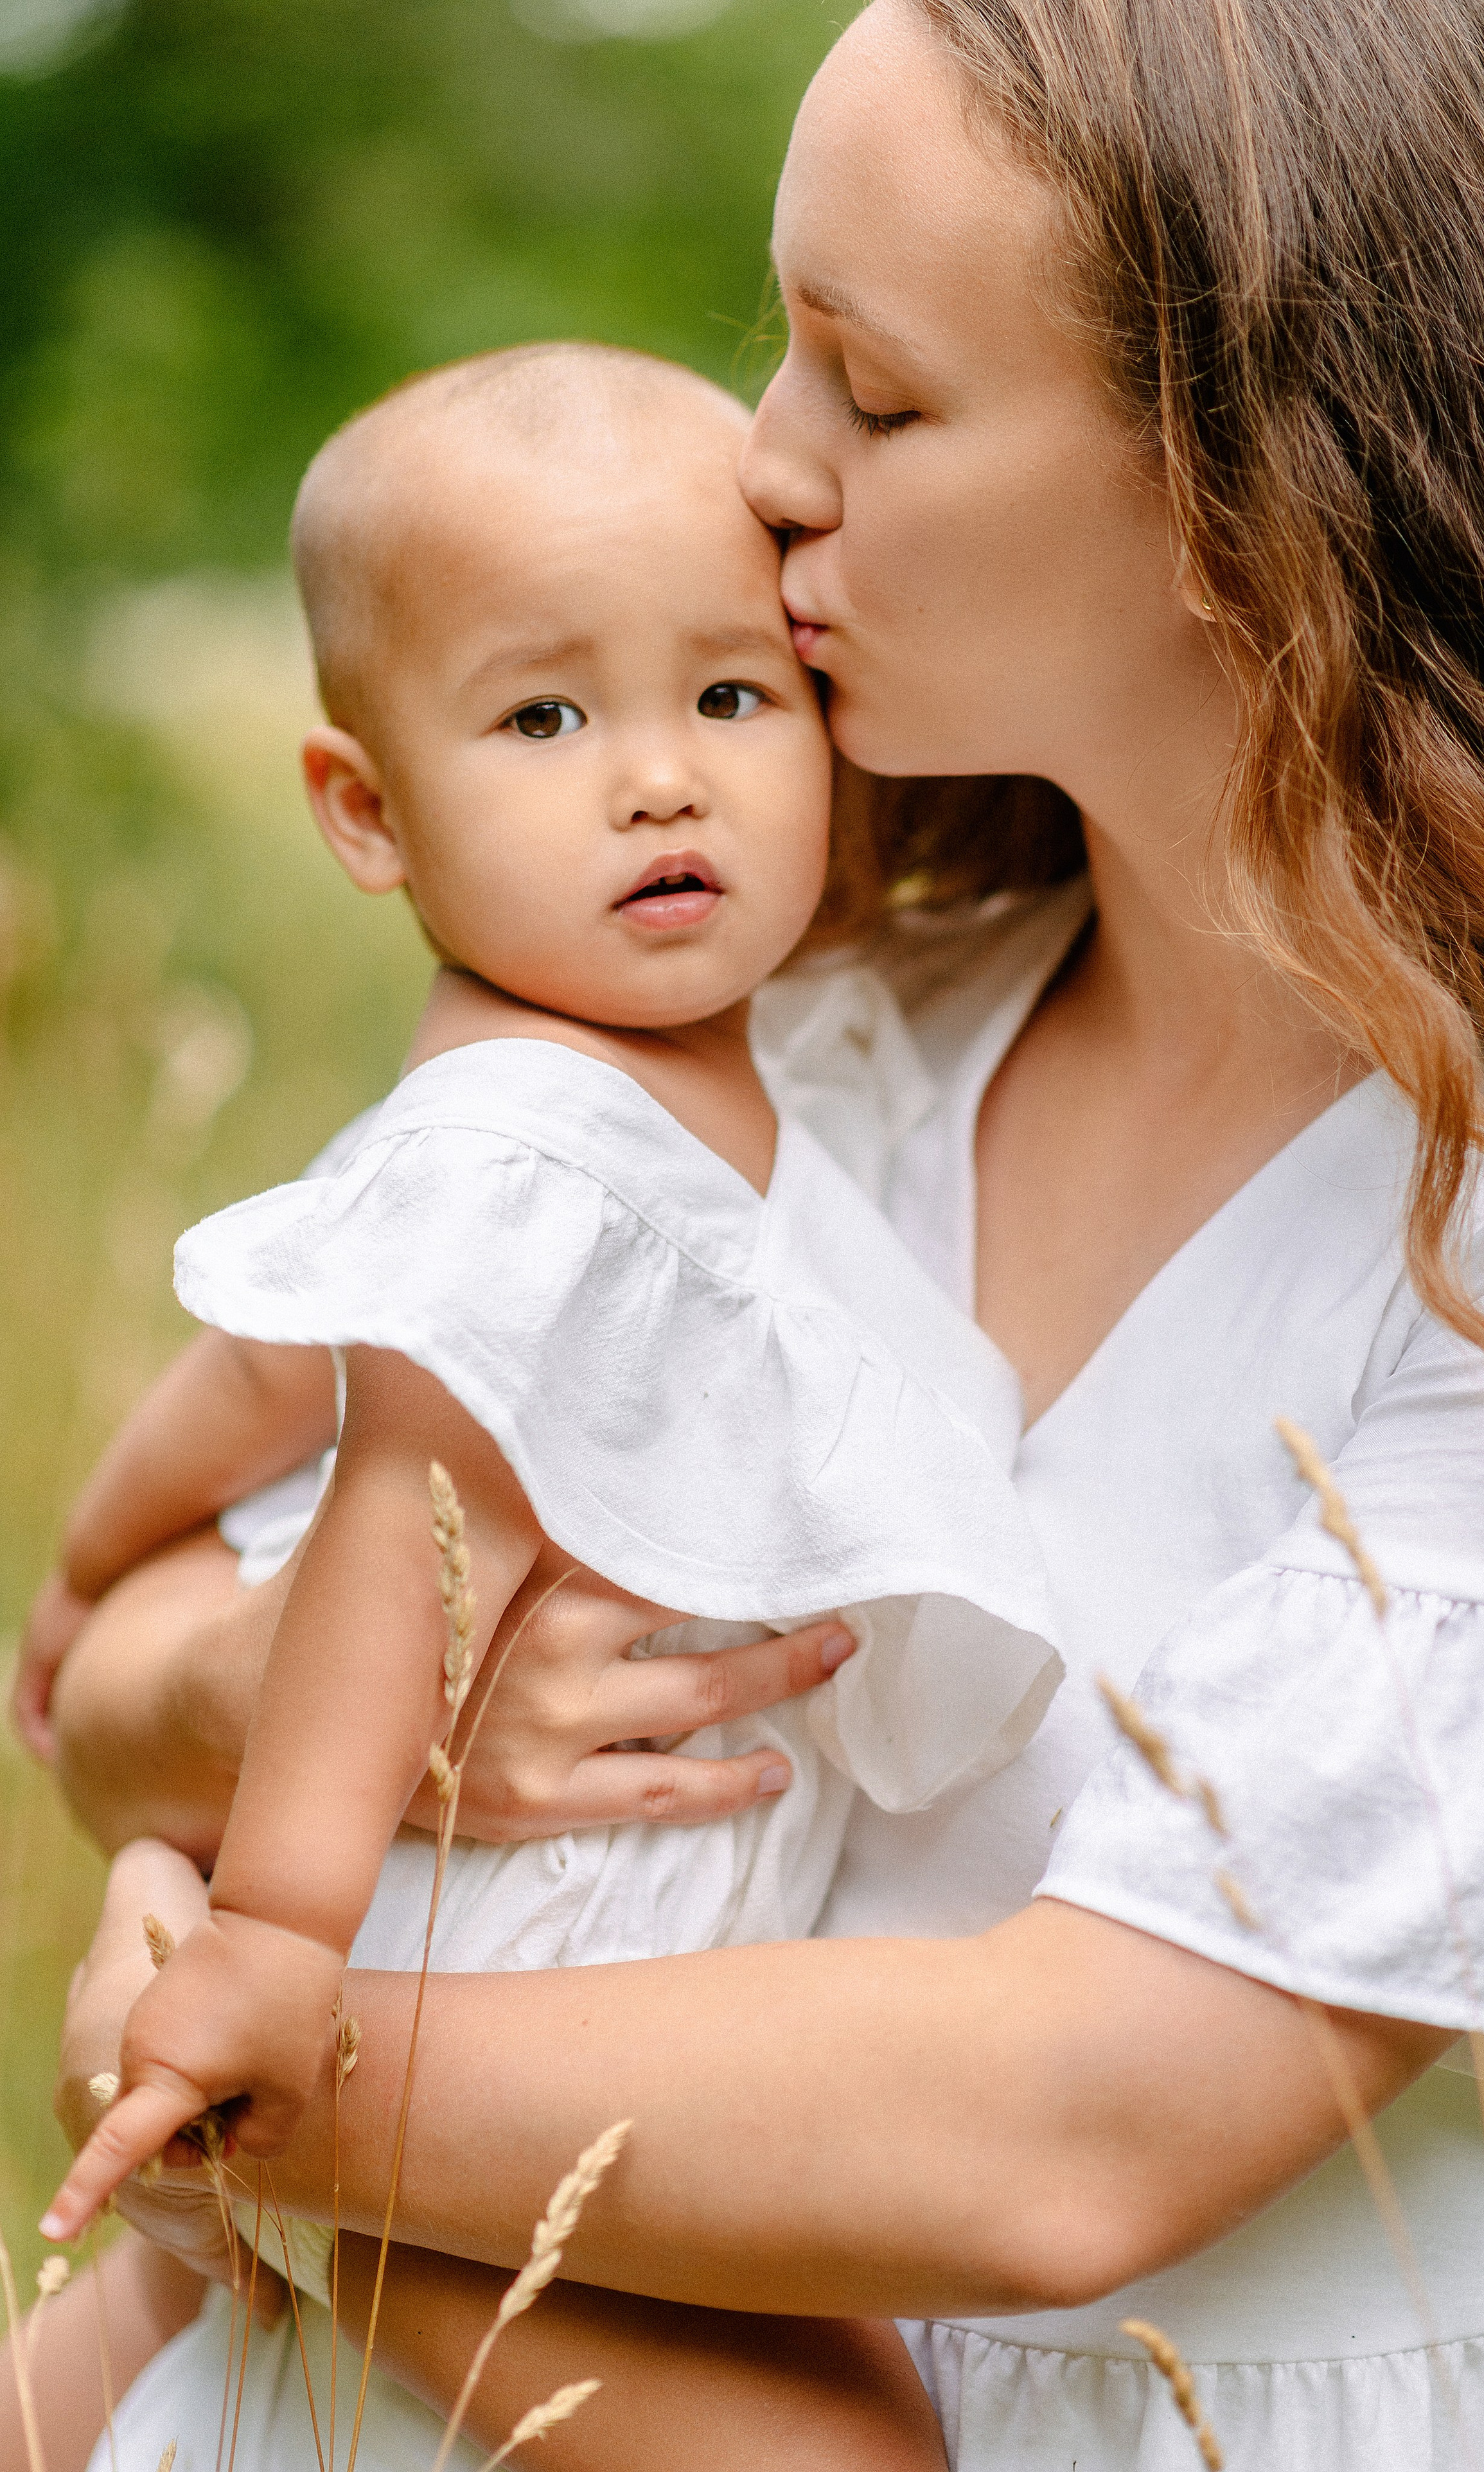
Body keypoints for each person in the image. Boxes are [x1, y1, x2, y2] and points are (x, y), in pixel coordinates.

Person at [21, 0, 1484, 2462]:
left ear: (1242, 496)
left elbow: (1070, 2125)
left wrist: (239, 2071)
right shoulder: (794, 1041)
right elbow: (122, 1648)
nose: (760, 458)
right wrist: (247, 1734)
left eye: (872, 396)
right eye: (779, 336)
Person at [12, 337, 1081, 2468]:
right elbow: (410, 1515)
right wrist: (285, 1937)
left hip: (553, 1930)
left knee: (219, 2372)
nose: (660, 780)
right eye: (544, 716)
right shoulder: (539, 1140)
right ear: (365, 811)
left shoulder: (575, 1099)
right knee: (848, 2430)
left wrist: (90, 1570)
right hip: (528, 1941)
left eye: (727, 697)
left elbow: (266, 1367)